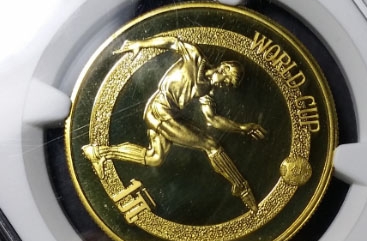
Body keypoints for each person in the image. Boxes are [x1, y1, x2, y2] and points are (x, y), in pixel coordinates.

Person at [83, 35, 266, 212]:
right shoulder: (195, 57)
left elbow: (213, 119)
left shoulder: (206, 91)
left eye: (228, 85)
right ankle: (241, 186)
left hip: (166, 113)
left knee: (155, 157)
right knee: (211, 145)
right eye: (227, 81)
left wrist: (242, 128)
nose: (224, 86)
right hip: (160, 111)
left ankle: (99, 152)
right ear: (223, 68)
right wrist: (140, 43)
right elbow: (171, 42)